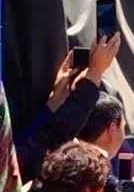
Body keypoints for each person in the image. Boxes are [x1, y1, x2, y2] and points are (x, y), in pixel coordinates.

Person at [15, 35, 121, 181]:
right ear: (112, 128)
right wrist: (94, 74)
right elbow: (55, 138)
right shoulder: (84, 176)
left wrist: (54, 101)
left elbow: (31, 144)